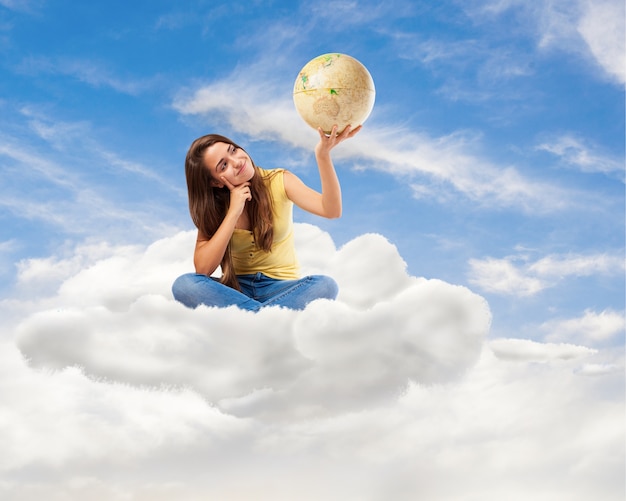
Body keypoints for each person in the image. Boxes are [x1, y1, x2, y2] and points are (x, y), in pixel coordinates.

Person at [172, 124, 361, 311]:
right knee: (184, 284)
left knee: (326, 285)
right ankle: (269, 318)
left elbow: (331, 210)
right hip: (235, 291)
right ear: (214, 182)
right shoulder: (214, 208)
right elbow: (203, 269)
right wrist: (233, 211)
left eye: (233, 150)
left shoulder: (280, 180)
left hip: (284, 289)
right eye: (224, 165)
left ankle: (250, 318)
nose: (237, 161)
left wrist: (323, 155)